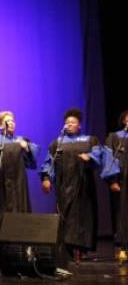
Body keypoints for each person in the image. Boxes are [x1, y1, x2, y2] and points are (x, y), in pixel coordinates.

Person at [40, 107, 102, 262]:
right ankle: (67, 249)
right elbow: (49, 162)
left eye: (73, 122)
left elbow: (99, 153)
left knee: (83, 216)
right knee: (65, 215)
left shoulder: (89, 139)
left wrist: (89, 156)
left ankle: (81, 250)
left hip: (83, 184)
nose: (69, 124)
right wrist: (46, 178)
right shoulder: (58, 143)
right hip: (64, 185)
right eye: (67, 122)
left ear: (79, 125)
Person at [0, 111, 40, 244]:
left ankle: (23, 242)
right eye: (8, 121)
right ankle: (2, 244)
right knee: (2, 211)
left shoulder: (21, 140)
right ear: (1, 126)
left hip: (19, 183)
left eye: (13, 120)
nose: (11, 123)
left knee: (20, 209)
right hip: (2, 183)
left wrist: (27, 148)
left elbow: (32, 161)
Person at [102, 109, 128, 262]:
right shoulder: (116, 137)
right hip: (123, 180)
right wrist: (112, 180)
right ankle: (123, 247)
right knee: (123, 213)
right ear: (124, 120)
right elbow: (109, 158)